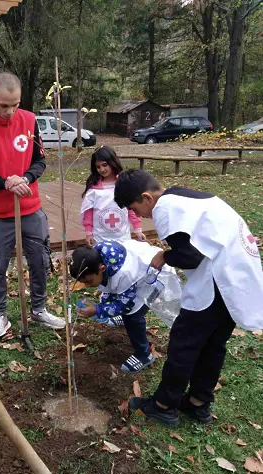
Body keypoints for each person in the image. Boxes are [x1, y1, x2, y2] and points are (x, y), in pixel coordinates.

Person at [114, 169, 263, 427]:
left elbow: (191, 256)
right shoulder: (185, 196)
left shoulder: (165, 208)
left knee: (184, 345)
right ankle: (198, 403)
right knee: (212, 345)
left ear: (147, 197)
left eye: (135, 209)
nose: (138, 216)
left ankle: (163, 405)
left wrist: (165, 256)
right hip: (237, 278)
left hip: (217, 282)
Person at [0, 72, 65, 340]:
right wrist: (6, 183)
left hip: (31, 208)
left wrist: (25, 178)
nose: (10, 111)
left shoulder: (30, 120)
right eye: (3, 105)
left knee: (40, 259)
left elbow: (40, 161)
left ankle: (39, 308)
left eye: (15, 104)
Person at [71, 239, 176, 373]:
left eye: (89, 281)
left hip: (156, 278)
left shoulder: (124, 275)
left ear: (101, 268)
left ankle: (143, 354)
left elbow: (126, 305)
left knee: (133, 316)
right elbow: (110, 288)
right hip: (137, 279)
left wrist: (97, 310)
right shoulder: (97, 257)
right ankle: (122, 318)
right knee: (121, 302)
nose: (87, 286)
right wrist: (105, 307)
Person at [81, 145, 146, 247]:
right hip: (100, 237)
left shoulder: (123, 183)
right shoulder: (94, 188)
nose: (102, 169)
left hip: (122, 237)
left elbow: (131, 208)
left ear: (112, 162)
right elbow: (88, 211)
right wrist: (88, 233)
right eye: (98, 167)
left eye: (105, 165)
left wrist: (137, 229)